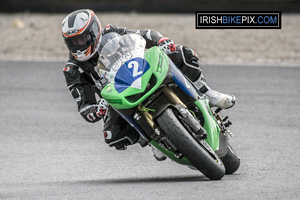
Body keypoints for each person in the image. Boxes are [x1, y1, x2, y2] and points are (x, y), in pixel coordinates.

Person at [61, 9, 235, 158]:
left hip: (142, 71)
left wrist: (162, 41)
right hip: (119, 98)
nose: (79, 44)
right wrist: (98, 109)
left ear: (93, 31)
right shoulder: (73, 70)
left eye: (83, 38)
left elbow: (143, 34)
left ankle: (206, 92)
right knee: (112, 136)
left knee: (181, 52)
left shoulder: (109, 32)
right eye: (73, 41)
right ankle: (151, 136)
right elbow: (85, 108)